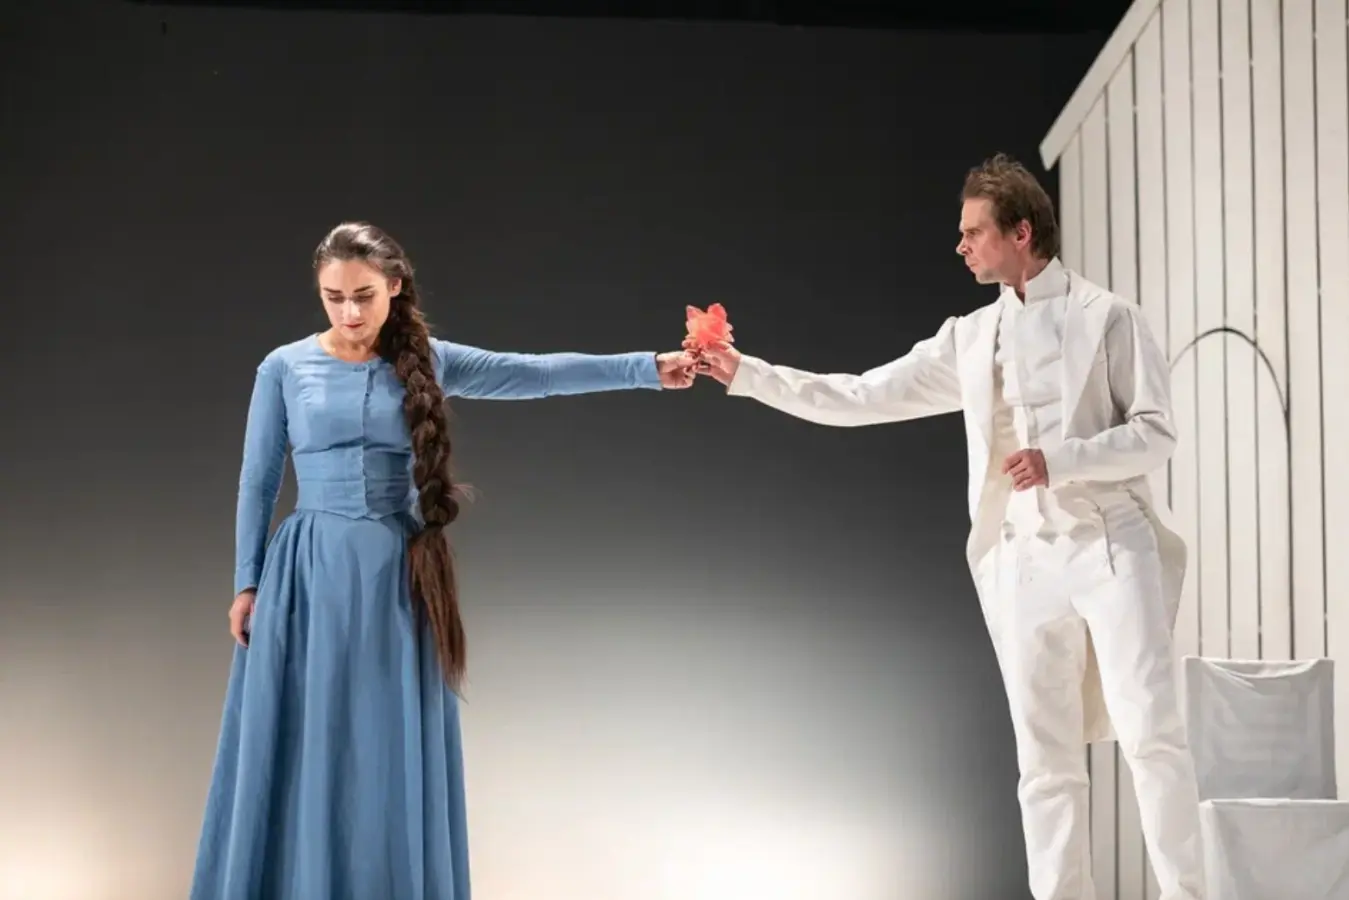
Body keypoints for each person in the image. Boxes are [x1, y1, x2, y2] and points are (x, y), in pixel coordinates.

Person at [689, 154, 1204, 900]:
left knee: (1152, 734)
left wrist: (1061, 460)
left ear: (1020, 232)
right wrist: (746, 372)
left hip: (1110, 541)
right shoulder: (969, 338)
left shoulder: (1109, 316)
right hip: (1023, 555)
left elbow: (1156, 432)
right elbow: (860, 395)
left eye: (973, 232)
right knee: (1044, 761)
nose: (959, 246)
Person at [190, 221, 696, 900]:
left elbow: (535, 373)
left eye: (364, 296)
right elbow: (257, 480)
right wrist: (246, 581)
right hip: (307, 575)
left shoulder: (429, 360)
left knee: (385, 739)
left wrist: (646, 369)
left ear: (395, 287)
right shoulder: (283, 367)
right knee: (308, 735)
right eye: (334, 297)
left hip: (397, 574)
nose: (349, 312)